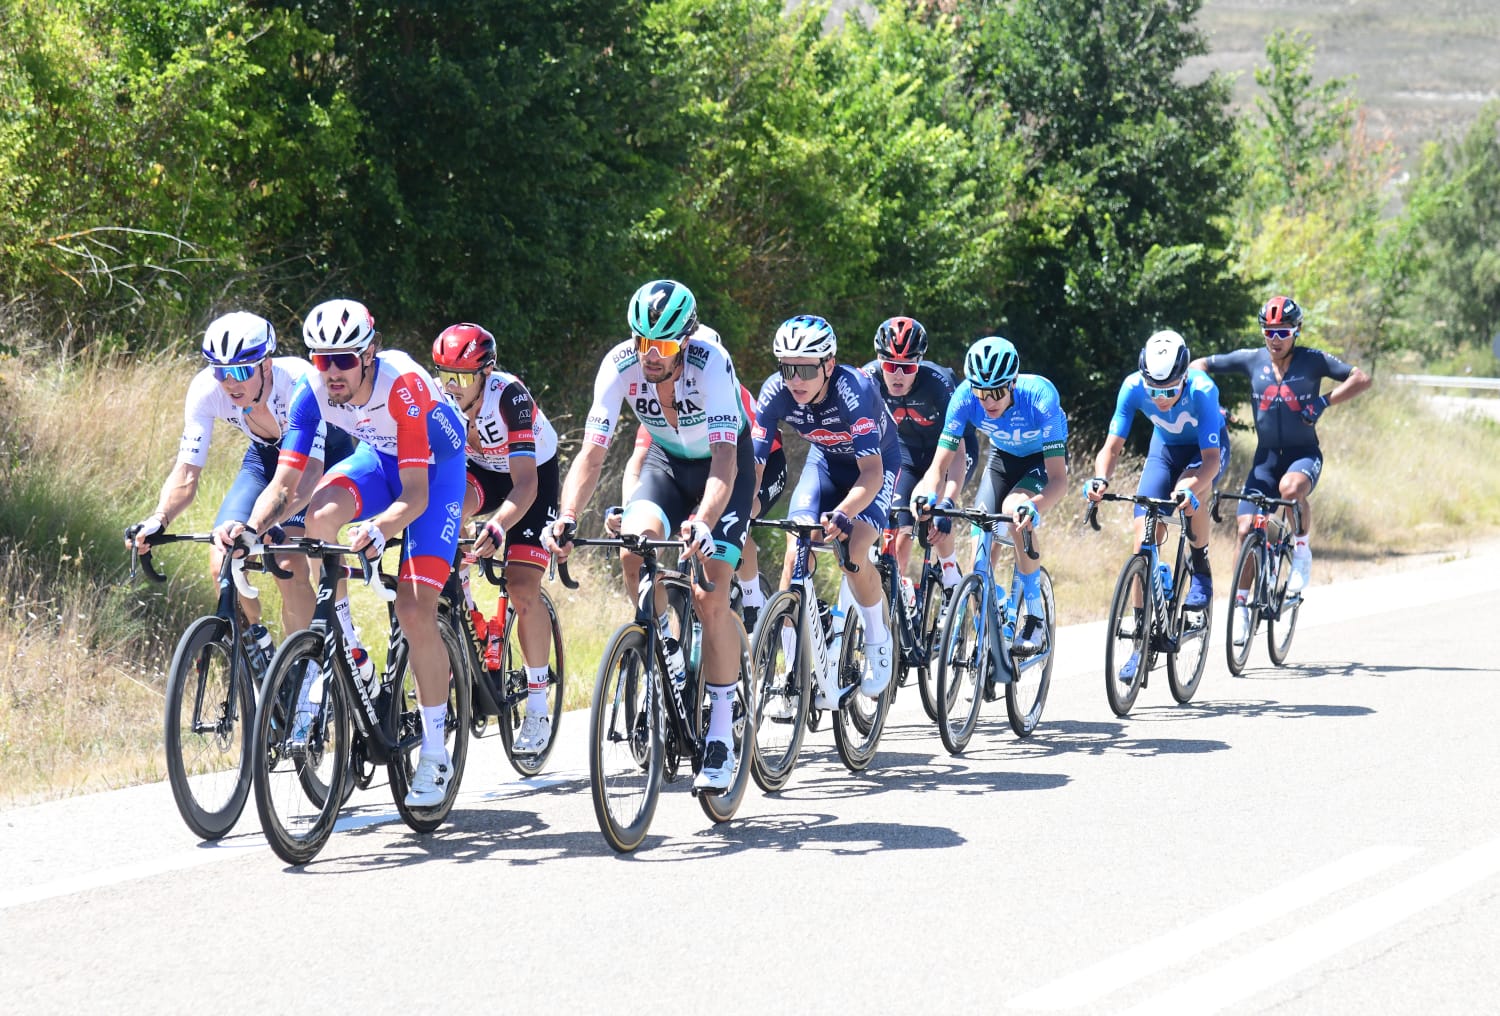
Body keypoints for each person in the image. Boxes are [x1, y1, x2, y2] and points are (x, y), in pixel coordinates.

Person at [217, 298, 468, 808]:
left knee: (414, 608)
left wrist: (381, 526)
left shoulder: (404, 385)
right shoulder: (312, 391)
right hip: (379, 458)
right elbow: (287, 481)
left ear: (369, 354)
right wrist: (250, 528)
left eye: (343, 360)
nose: (330, 372)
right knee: (317, 518)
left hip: (434, 472)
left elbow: (416, 494)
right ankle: (345, 636)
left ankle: (436, 753)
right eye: (320, 359)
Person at [544, 279, 754, 792]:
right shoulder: (620, 365)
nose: (648, 356)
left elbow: (725, 459)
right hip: (666, 463)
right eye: (641, 342)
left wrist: (704, 520)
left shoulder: (711, 363)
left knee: (710, 593)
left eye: (659, 346)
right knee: (634, 545)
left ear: (685, 339)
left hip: (722, 469)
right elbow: (592, 456)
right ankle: (670, 649)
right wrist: (567, 516)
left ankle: (723, 733)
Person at [127, 311, 353, 664]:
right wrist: (159, 519)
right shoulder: (206, 390)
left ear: (266, 364)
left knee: (288, 559)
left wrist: (261, 526)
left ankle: (308, 667)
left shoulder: (300, 383)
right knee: (222, 558)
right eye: (220, 371)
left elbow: (307, 479)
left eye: (241, 371)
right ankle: (257, 644)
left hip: (320, 460)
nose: (230, 382)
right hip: (265, 459)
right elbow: (186, 473)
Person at [1189, 295, 1371, 639]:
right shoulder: (1251, 359)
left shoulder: (1313, 361)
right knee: (1245, 529)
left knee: (1291, 489)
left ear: (1296, 330)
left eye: (1283, 331)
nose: (1275, 339)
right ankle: (1241, 608)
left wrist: (1324, 401)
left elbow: (1360, 378)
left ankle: (1301, 550)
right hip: (1266, 459)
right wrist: (1211, 402)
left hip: (1304, 454)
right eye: (1269, 331)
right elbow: (1198, 365)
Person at [752, 314, 901, 697]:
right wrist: (742, 514)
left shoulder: (855, 390)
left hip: (873, 467)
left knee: (853, 553)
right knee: (795, 548)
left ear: (828, 365)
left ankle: (878, 634)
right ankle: (792, 676)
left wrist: (845, 512)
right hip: (825, 464)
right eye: (787, 368)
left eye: (805, 369)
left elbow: (870, 473)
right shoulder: (776, 392)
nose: (795, 379)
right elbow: (755, 467)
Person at [431, 323, 561, 755]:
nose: (451, 386)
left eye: (463, 378)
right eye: (444, 374)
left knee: (523, 587)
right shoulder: (439, 398)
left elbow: (523, 486)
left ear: (485, 374)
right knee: (443, 514)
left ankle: (538, 704)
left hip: (531, 475)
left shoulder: (510, 397)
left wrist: (499, 525)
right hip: (483, 472)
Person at [913, 336, 1068, 656]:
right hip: (1001, 459)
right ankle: (995, 618)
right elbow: (937, 467)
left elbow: (1058, 480)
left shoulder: (1040, 397)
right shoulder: (963, 398)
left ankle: (1035, 617)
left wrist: (1035, 506)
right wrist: (929, 496)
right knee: (978, 548)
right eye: (980, 393)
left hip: (1040, 461)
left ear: (1012, 383)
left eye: (996, 392)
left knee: (1014, 510)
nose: (987, 401)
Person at [1085, 329, 1226, 679]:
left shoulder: (1203, 390)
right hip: (1163, 451)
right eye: (1154, 390)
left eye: (1169, 390)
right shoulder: (1132, 386)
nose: (1160, 398)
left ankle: (1200, 566)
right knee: (1142, 536)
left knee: (1189, 494)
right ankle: (1140, 642)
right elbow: (1112, 447)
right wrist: (1101, 478)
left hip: (1204, 453)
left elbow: (1211, 460)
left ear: (1184, 376)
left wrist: (1192, 487)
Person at [616, 382, 787, 633]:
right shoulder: (664, 400)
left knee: (738, 518)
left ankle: (753, 602)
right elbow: (638, 462)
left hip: (760, 463)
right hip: (700, 469)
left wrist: (714, 515)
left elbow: (753, 474)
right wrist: (627, 509)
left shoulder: (729, 396)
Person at [862, 315, 976, 596]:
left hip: (949, 452)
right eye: (890, 365)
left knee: (934, 517)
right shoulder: (868, 379)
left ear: (920, 362)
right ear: (879, 359)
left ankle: (950, 573)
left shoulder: (939, 382)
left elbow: (958, 454)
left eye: (907, 366)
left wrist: (948, 502)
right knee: (901, 528)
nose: (898, 375)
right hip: (907, 453)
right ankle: (899, 598)